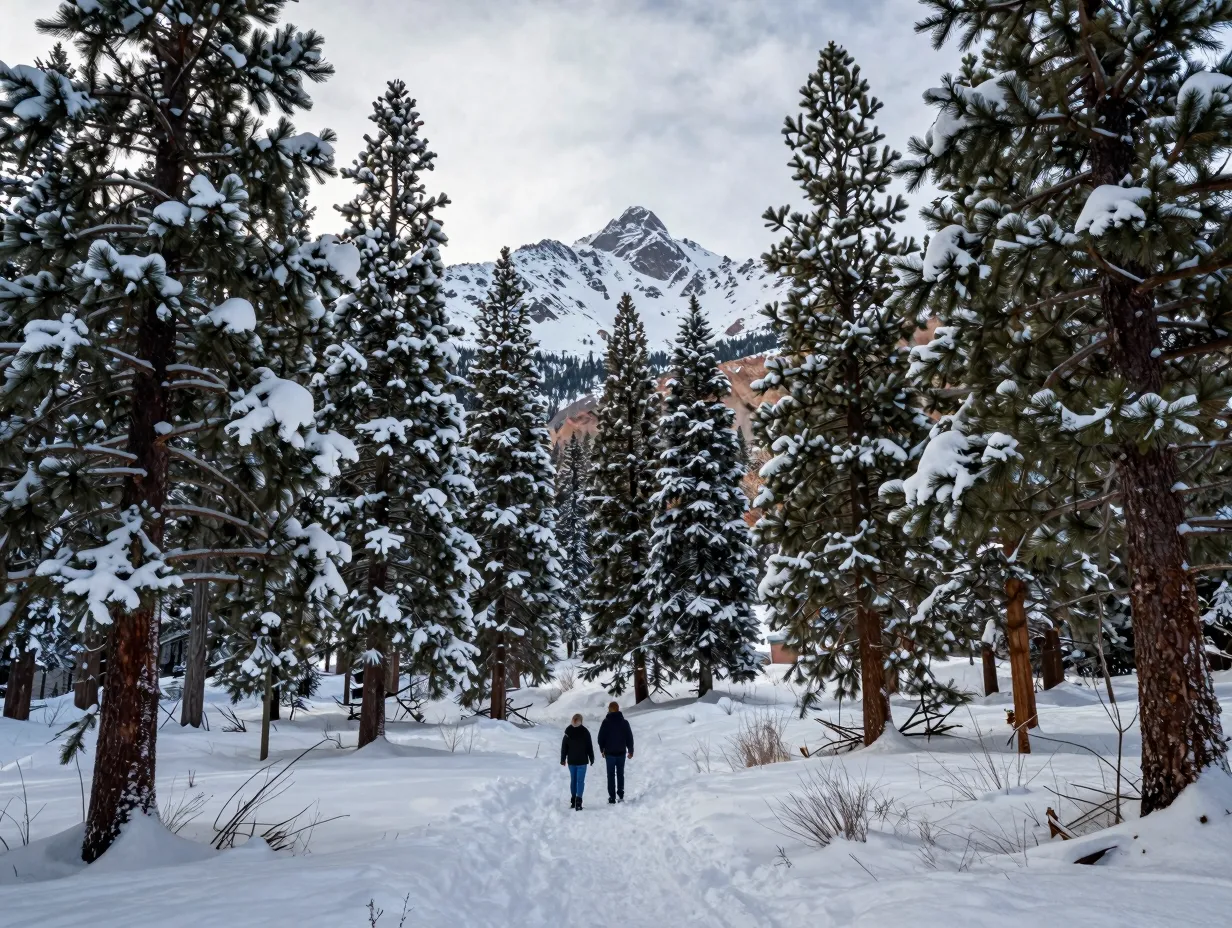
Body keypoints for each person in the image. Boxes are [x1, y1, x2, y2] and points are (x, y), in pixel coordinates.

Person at [597, 700, 634, 804]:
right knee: (620, 774)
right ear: (618, 709)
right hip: (621, 752)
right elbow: (629, 738)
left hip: (609, 754)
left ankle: (612, 797)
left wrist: (602, 749)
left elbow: (600, 738)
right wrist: (630, 750)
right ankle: (621, 794)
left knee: (611, 775)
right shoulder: (624, 722)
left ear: (609, 710)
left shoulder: (606, 722)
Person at [560, 712, 594, 811]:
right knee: (580, 781)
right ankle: (578, 802)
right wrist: (591, 757)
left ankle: (573, 801)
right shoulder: (585, 731)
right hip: (582, 761)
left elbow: (564, 747)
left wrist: (563, 759)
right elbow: (589, 746)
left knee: (573, 780)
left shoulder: (568, 731)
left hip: (571, 761)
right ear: (581, 721)